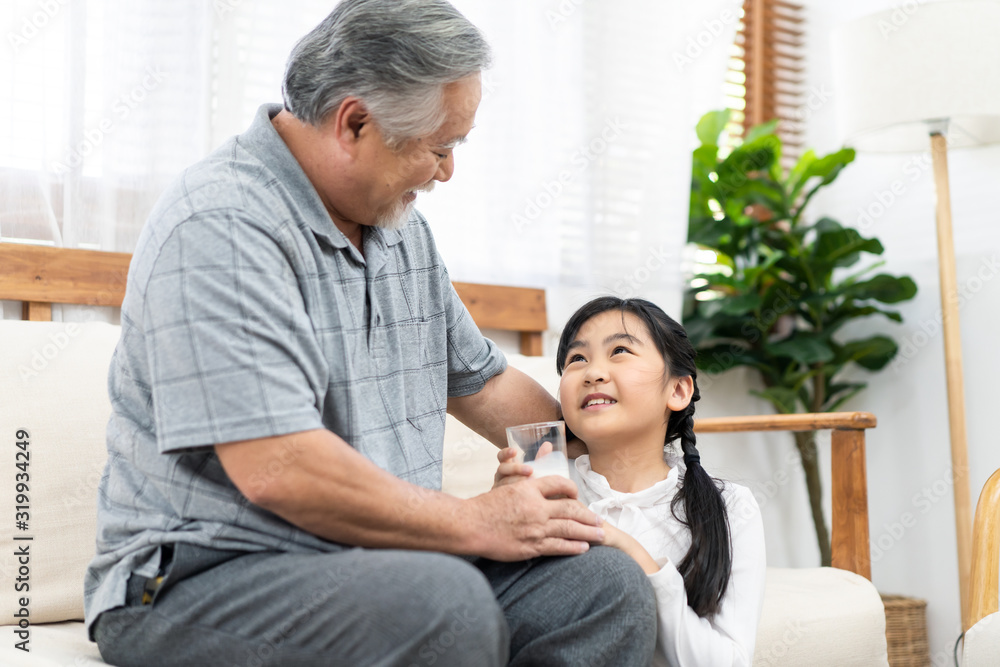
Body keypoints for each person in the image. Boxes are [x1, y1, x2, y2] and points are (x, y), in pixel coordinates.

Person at [83, 2, 657, 665]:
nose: (447, 172)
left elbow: (486, 384)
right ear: (355, 123)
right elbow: (278, 467)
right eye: (441, 147)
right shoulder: (221, 226)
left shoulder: (399, 231)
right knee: (440, 603)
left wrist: (621, 441)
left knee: (602, 588)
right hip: (198, 583)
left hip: (380, 566)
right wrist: (477, 519)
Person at [495, 296, 767, 666]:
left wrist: (632, 554)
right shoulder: (544, 486)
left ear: (678, 390)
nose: (593, 373)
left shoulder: (730, 506)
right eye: (577, 359)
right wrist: (499, 523)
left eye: (619, 350)